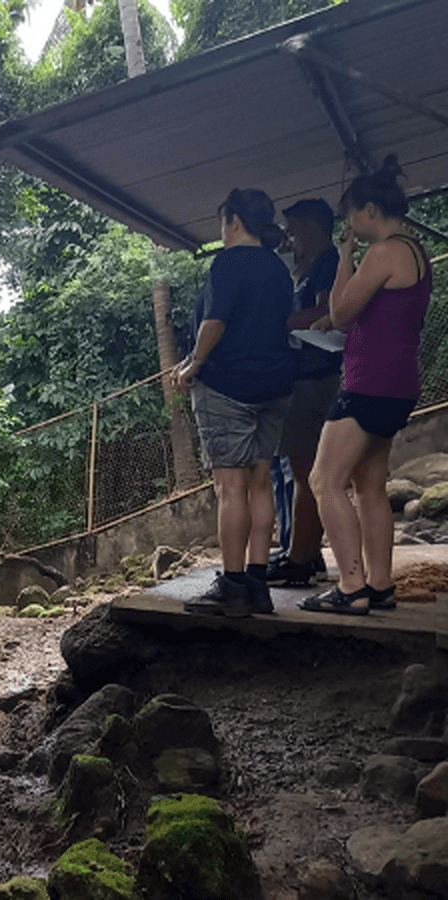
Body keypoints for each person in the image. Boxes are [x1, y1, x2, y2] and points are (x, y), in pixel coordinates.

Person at [301, 156, 432, 615]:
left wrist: (344, 256)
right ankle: (380, 584)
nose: (349, 224)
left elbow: (341, 312)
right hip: (398, 382)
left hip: (369, 382)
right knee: (369, 484)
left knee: (324, 480)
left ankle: (351, 586)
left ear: (370, 210)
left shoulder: (384, 251)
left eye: (351, 215)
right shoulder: (414, 250)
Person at [172, 188, 296, 618]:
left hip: (228, 386)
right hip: (275, 385)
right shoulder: (279, 268)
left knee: (230, 488)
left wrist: (193, 364)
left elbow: (216, 319)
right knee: (261, 483)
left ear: (235, 221)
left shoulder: (228, 262)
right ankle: (257, 585)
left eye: (222, 221)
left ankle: (231, 584)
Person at [267, 198, 342, 586]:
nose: (292, 238)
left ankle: (299, 558)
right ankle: (306, 553)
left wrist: (276, 323)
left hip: (312, 377)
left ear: (312, 227)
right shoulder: (310, 267)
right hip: (309, 375)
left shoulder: (329, 262)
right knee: (306, 470)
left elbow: (325, 312)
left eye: (295, 230)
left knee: (305, 471)